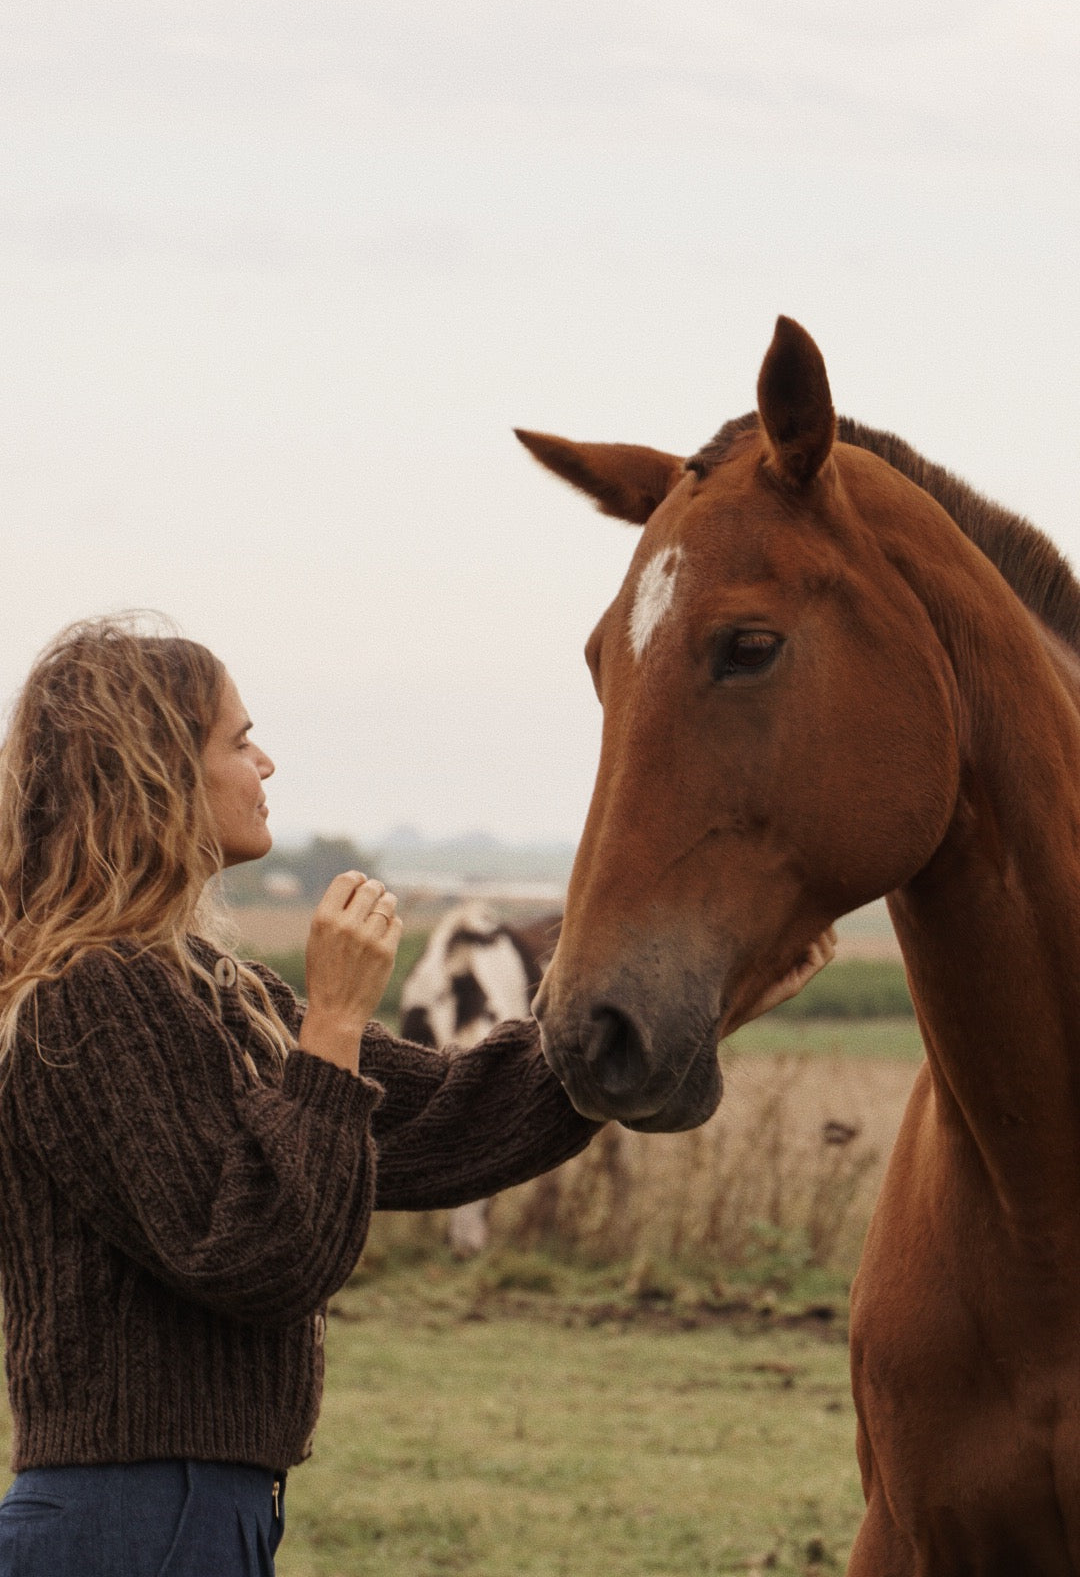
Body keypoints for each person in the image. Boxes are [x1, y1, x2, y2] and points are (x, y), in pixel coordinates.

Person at [0, 615, 834, 1575]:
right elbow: (259, 1254)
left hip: (197, 1507)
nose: (265, 765)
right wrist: (336, 1020)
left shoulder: (200, 987)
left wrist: (694, 1008)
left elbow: (450, 1121)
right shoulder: (91, 1000)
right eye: (237, 740)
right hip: (137, 1519)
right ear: (156, 772)